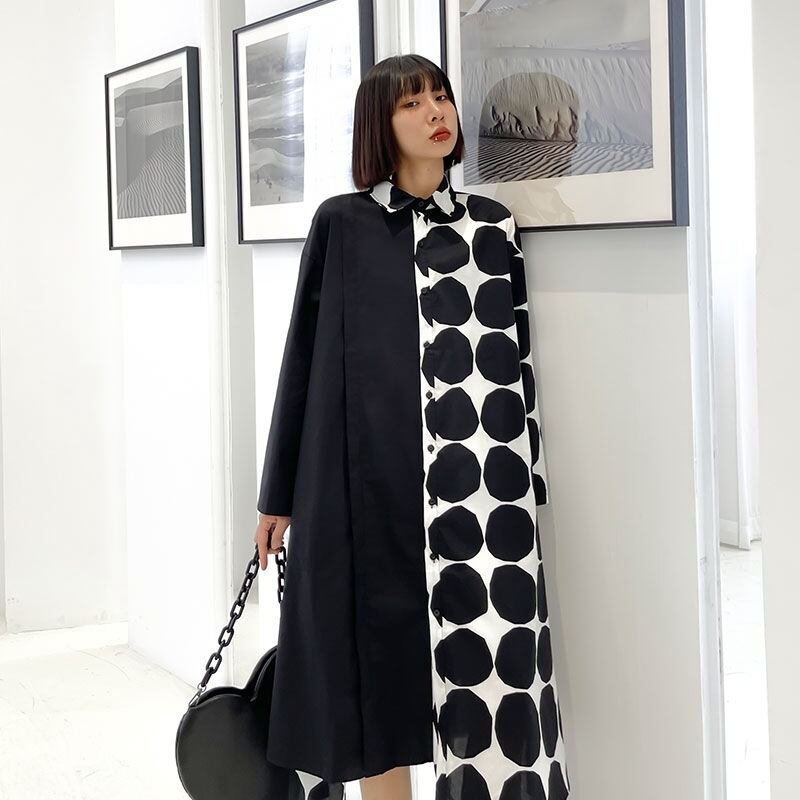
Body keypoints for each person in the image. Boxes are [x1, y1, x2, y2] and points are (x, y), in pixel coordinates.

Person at [253, 54, 570, 800]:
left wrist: (526, 478)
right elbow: (302, 359)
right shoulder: (343, 223)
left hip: (477, 490)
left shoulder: (492, 227)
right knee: (374, 678)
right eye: (412, 103)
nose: (436, 112)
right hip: (367, 485)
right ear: (379, 124)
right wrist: (278, 495)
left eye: (441, 96)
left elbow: (517, 358)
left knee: (488, 667)